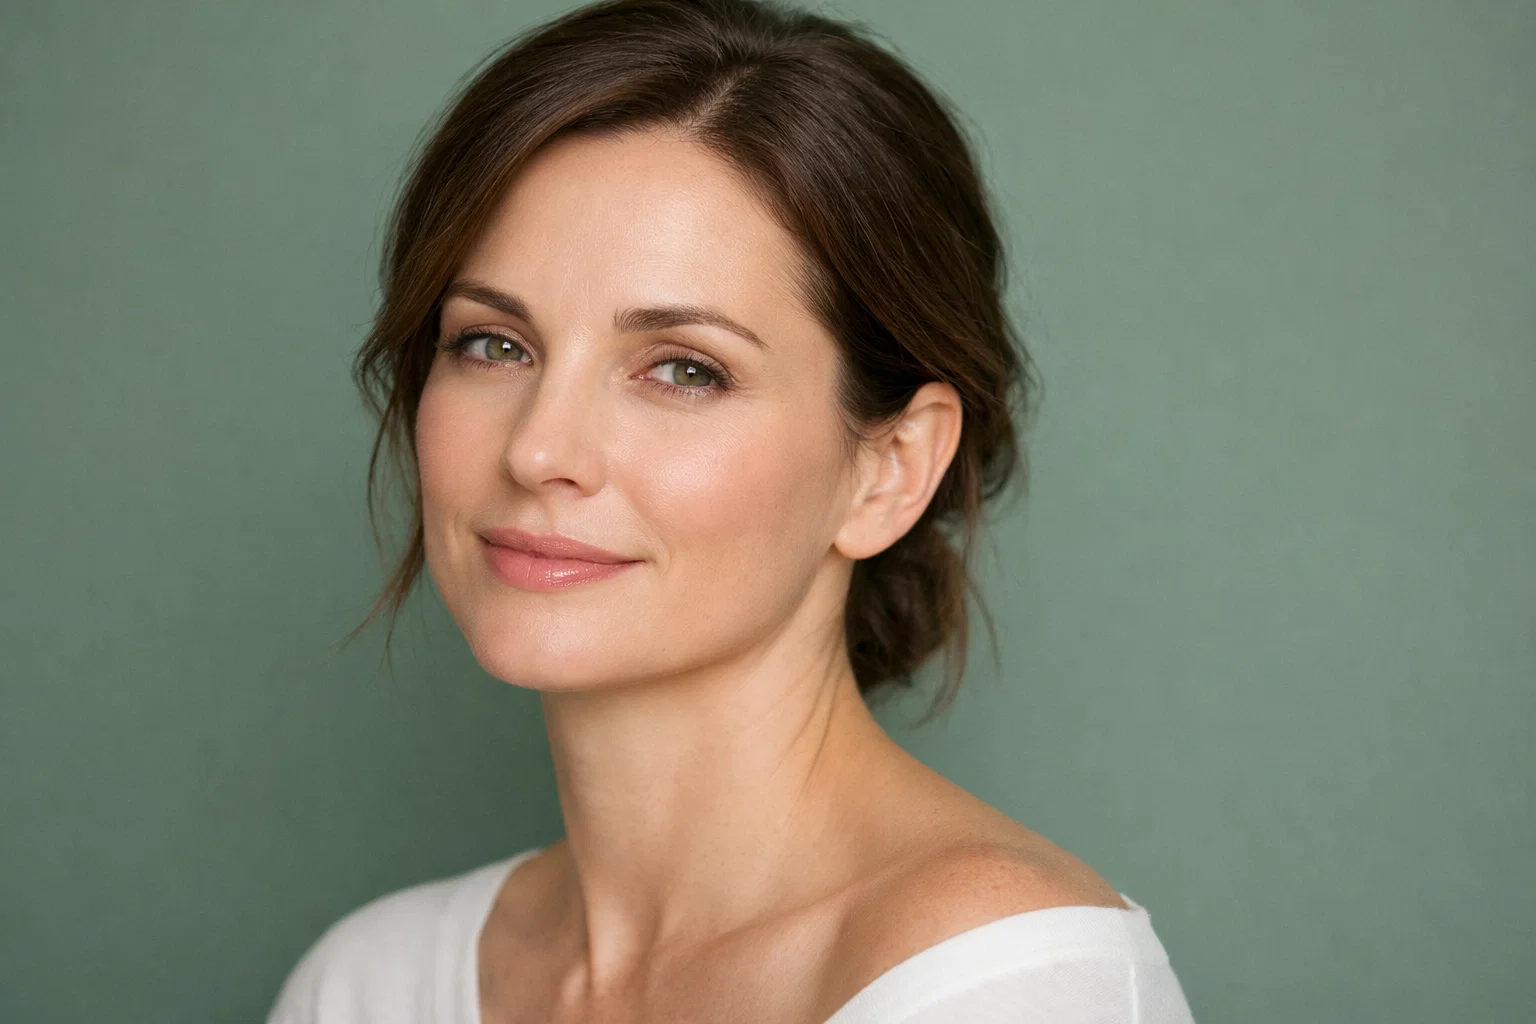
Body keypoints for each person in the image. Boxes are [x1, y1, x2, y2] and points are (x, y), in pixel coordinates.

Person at [266, 0, 1197, 1020]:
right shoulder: (365, 984)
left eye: (682, 369)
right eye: (493, 343)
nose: (538, 450)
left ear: (889, 466)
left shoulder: (1004, 981)